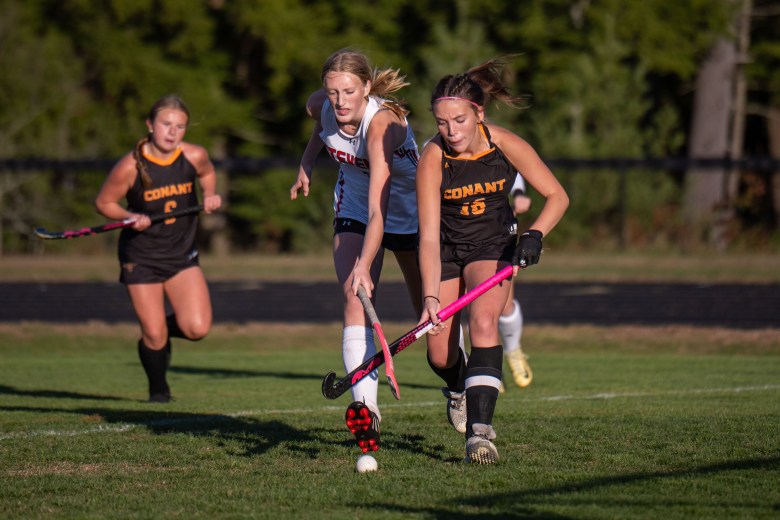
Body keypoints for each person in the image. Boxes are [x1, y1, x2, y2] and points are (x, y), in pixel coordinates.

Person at [416, 58, 569, 464]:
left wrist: (535, 234)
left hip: (492, 246)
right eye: (442, 122)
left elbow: (558, 196)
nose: (451, 131)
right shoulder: (432, 157)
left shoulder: (505, 143)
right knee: (439, 356)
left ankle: (479, 435)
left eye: (460, 121)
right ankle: (458, 387)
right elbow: (428, 236)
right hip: (447, 250)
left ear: (478, 114)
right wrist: (430, 298)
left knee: (484, 321)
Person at [290, 49, 423, 453]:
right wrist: (306, 164)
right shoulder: (322, 105)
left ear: (366, 87)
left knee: (429, 316)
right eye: (333, 92)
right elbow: (321, 128)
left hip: (405, 210)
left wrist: (366, 261)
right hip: (353, 207)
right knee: (355, 298)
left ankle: (457, 385)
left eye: (349, 91)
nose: (340, 101)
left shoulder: (382, 124)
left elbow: (379, 207)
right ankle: (366, 411)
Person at [95, 95, 222, 403]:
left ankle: (157, 335)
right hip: (142, 257)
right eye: (166, 124)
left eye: (180, 126)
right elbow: (103, 203)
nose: (172, 132)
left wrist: (210, 195)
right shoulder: (130, 167)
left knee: (197, 328)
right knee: (153, 335)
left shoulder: (193, 155)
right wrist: (128, 217)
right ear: (150, 125)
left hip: (181, 254)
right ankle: (158, 390)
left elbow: (207, 173)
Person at [500, 174, 533, 388]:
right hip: (456, 233)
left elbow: (514, 171)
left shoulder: (493, 144)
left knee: (503, 303)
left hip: (496, 230)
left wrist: (519, 194)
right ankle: (484, 366)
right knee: (471, 308)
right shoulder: (434, 149)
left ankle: (512, 350)